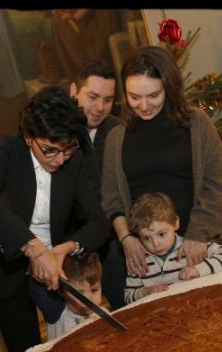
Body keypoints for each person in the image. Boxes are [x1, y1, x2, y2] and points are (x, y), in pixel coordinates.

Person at [0, 86, 109, 352]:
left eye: (66, 150)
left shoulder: (74, 161)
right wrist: (34, 248)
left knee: (73, 347)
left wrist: (64, 249)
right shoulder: (7, 150)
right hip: (8, 267)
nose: (59, 159)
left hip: (57, 268)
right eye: (49, 150)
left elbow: (98, 221)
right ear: (29, 136)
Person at [100, 46, 222, 309]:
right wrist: (128, 239)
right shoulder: (117, 138)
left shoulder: (196, 123)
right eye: (134, 97)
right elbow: (111, 199)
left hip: (197, 250)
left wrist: (198, 234)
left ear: (169, 89)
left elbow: (219, 186)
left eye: (153, 95)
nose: (144, 105)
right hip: (148, 263)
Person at [69, 59, 124, 309]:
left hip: (116, 242)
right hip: (73, 245)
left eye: (108, 99)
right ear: (74, 91)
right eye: (92, 96)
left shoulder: (118, 131)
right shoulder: (58, 132)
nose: (100, 107)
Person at [124, 192, 222, 304]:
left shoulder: (190, 249)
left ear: (175, 223)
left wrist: (198, 270)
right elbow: (128, 295)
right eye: (146, 238)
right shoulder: (139, 261)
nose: (155, 244)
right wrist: (144, 292)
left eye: (161, 234)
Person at [42, 253, 104, 341]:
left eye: (94, 290)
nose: (89, 298)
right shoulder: (55, 313)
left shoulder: (104, 314)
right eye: (78, 293)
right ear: (61, 291)